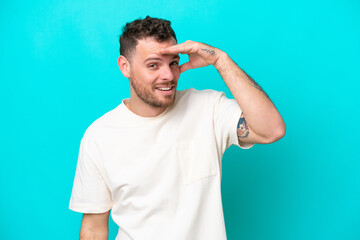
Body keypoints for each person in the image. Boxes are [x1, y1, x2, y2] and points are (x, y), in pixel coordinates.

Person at [69, 16, 286, 240]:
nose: (169, 75)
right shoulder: (99, 136)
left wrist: (221, 60)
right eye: (153, 65)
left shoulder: (208, 108)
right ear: (125, 67)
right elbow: (94, 229)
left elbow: (272, 130)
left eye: (173, 63)